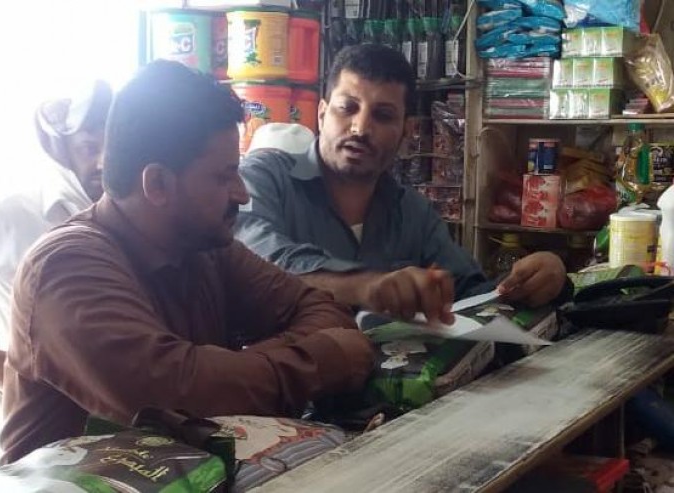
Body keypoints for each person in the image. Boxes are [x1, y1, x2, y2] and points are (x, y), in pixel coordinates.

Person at [0, 61, 373, 465]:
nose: (242, 194)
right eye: (223, 177)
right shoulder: (65, 268)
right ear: (158, 183)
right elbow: (180, 399)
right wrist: (320, 361)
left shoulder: (206, 246)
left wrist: (230, 370)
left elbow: (323, 312)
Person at [236, 43, 569, 324]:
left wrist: (537, 280)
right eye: (347, 108)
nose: (360, 128)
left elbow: (468, 294)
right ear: (322, 114)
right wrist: (365, 286)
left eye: (382, 115)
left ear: (407, 132)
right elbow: (253, 266)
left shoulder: (412, 213)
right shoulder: (264, 179)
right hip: (282, 378)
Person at [0, 81, 112, 392]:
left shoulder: (124, 220)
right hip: (35, 411)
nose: (103, 162)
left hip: (115, 404)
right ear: (61, 150)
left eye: (112, 148)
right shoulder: (9, 218)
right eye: (89, 148)